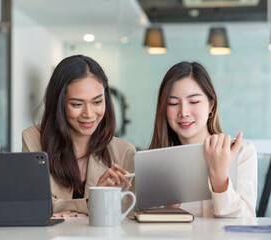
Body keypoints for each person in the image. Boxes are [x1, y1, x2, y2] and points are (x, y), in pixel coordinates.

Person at [22, 55, 135, 217]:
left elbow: (127, 215)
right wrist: (91, 202)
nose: (89, 114)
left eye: (97, 102)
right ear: (59, 104)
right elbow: (32, 205)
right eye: (77, 104)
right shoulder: (33, 139)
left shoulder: (124, 152)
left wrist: (60, 207)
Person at [150, 61, 257, 218]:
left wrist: (219, 177)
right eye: (173, 103)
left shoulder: (241, 152)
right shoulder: (154, 162)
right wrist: (169, 206)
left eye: (194, 102)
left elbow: (246, 221)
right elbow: (145, 230)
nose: (184, 112)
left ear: (211, 105)